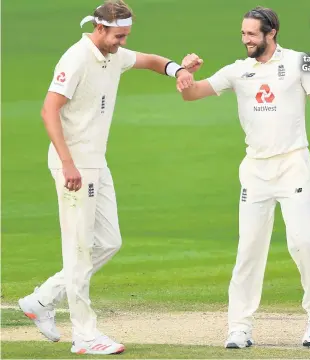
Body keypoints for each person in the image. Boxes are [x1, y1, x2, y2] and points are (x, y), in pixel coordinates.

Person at [18, 0, 195, 355]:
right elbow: (48, 109)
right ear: (99, 29)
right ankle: (84, 335)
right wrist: (67, 163)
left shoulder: (115, 54)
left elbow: (151, 61)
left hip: (96, 161)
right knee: (80, 251)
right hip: (74, 165)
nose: (123, 43)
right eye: (118, 36)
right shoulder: (77, 58)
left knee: (109, 241)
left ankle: (41, 301)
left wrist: (178, 70)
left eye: (126, 36)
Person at [178, 6, 310, 349]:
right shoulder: (237, 70)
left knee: (302, 243)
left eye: (251, 34)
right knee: (249, 250)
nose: (245, 39)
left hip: (293, 165)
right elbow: (192, 93)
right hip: (255, 171)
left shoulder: (300, 62)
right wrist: (183, 72)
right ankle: (239, 327)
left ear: (271, 32)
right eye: (243, 33)